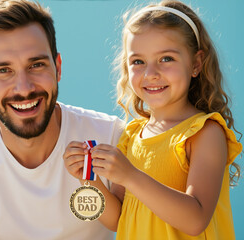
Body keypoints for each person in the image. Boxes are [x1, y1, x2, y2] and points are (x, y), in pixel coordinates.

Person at [0, 0, 124, 239]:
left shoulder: (112, 137)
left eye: (36, 65)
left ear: (58, 67)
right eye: (3, 70)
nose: (23, 88)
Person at [64, 0, 242, 239]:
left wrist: (131, 176)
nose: (150, 74)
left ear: (196, 64)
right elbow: (117, 219)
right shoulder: (131, 136)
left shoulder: (204, 132)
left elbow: (196, 219)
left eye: (166, 58)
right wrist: (88, 180)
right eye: (138, 62)